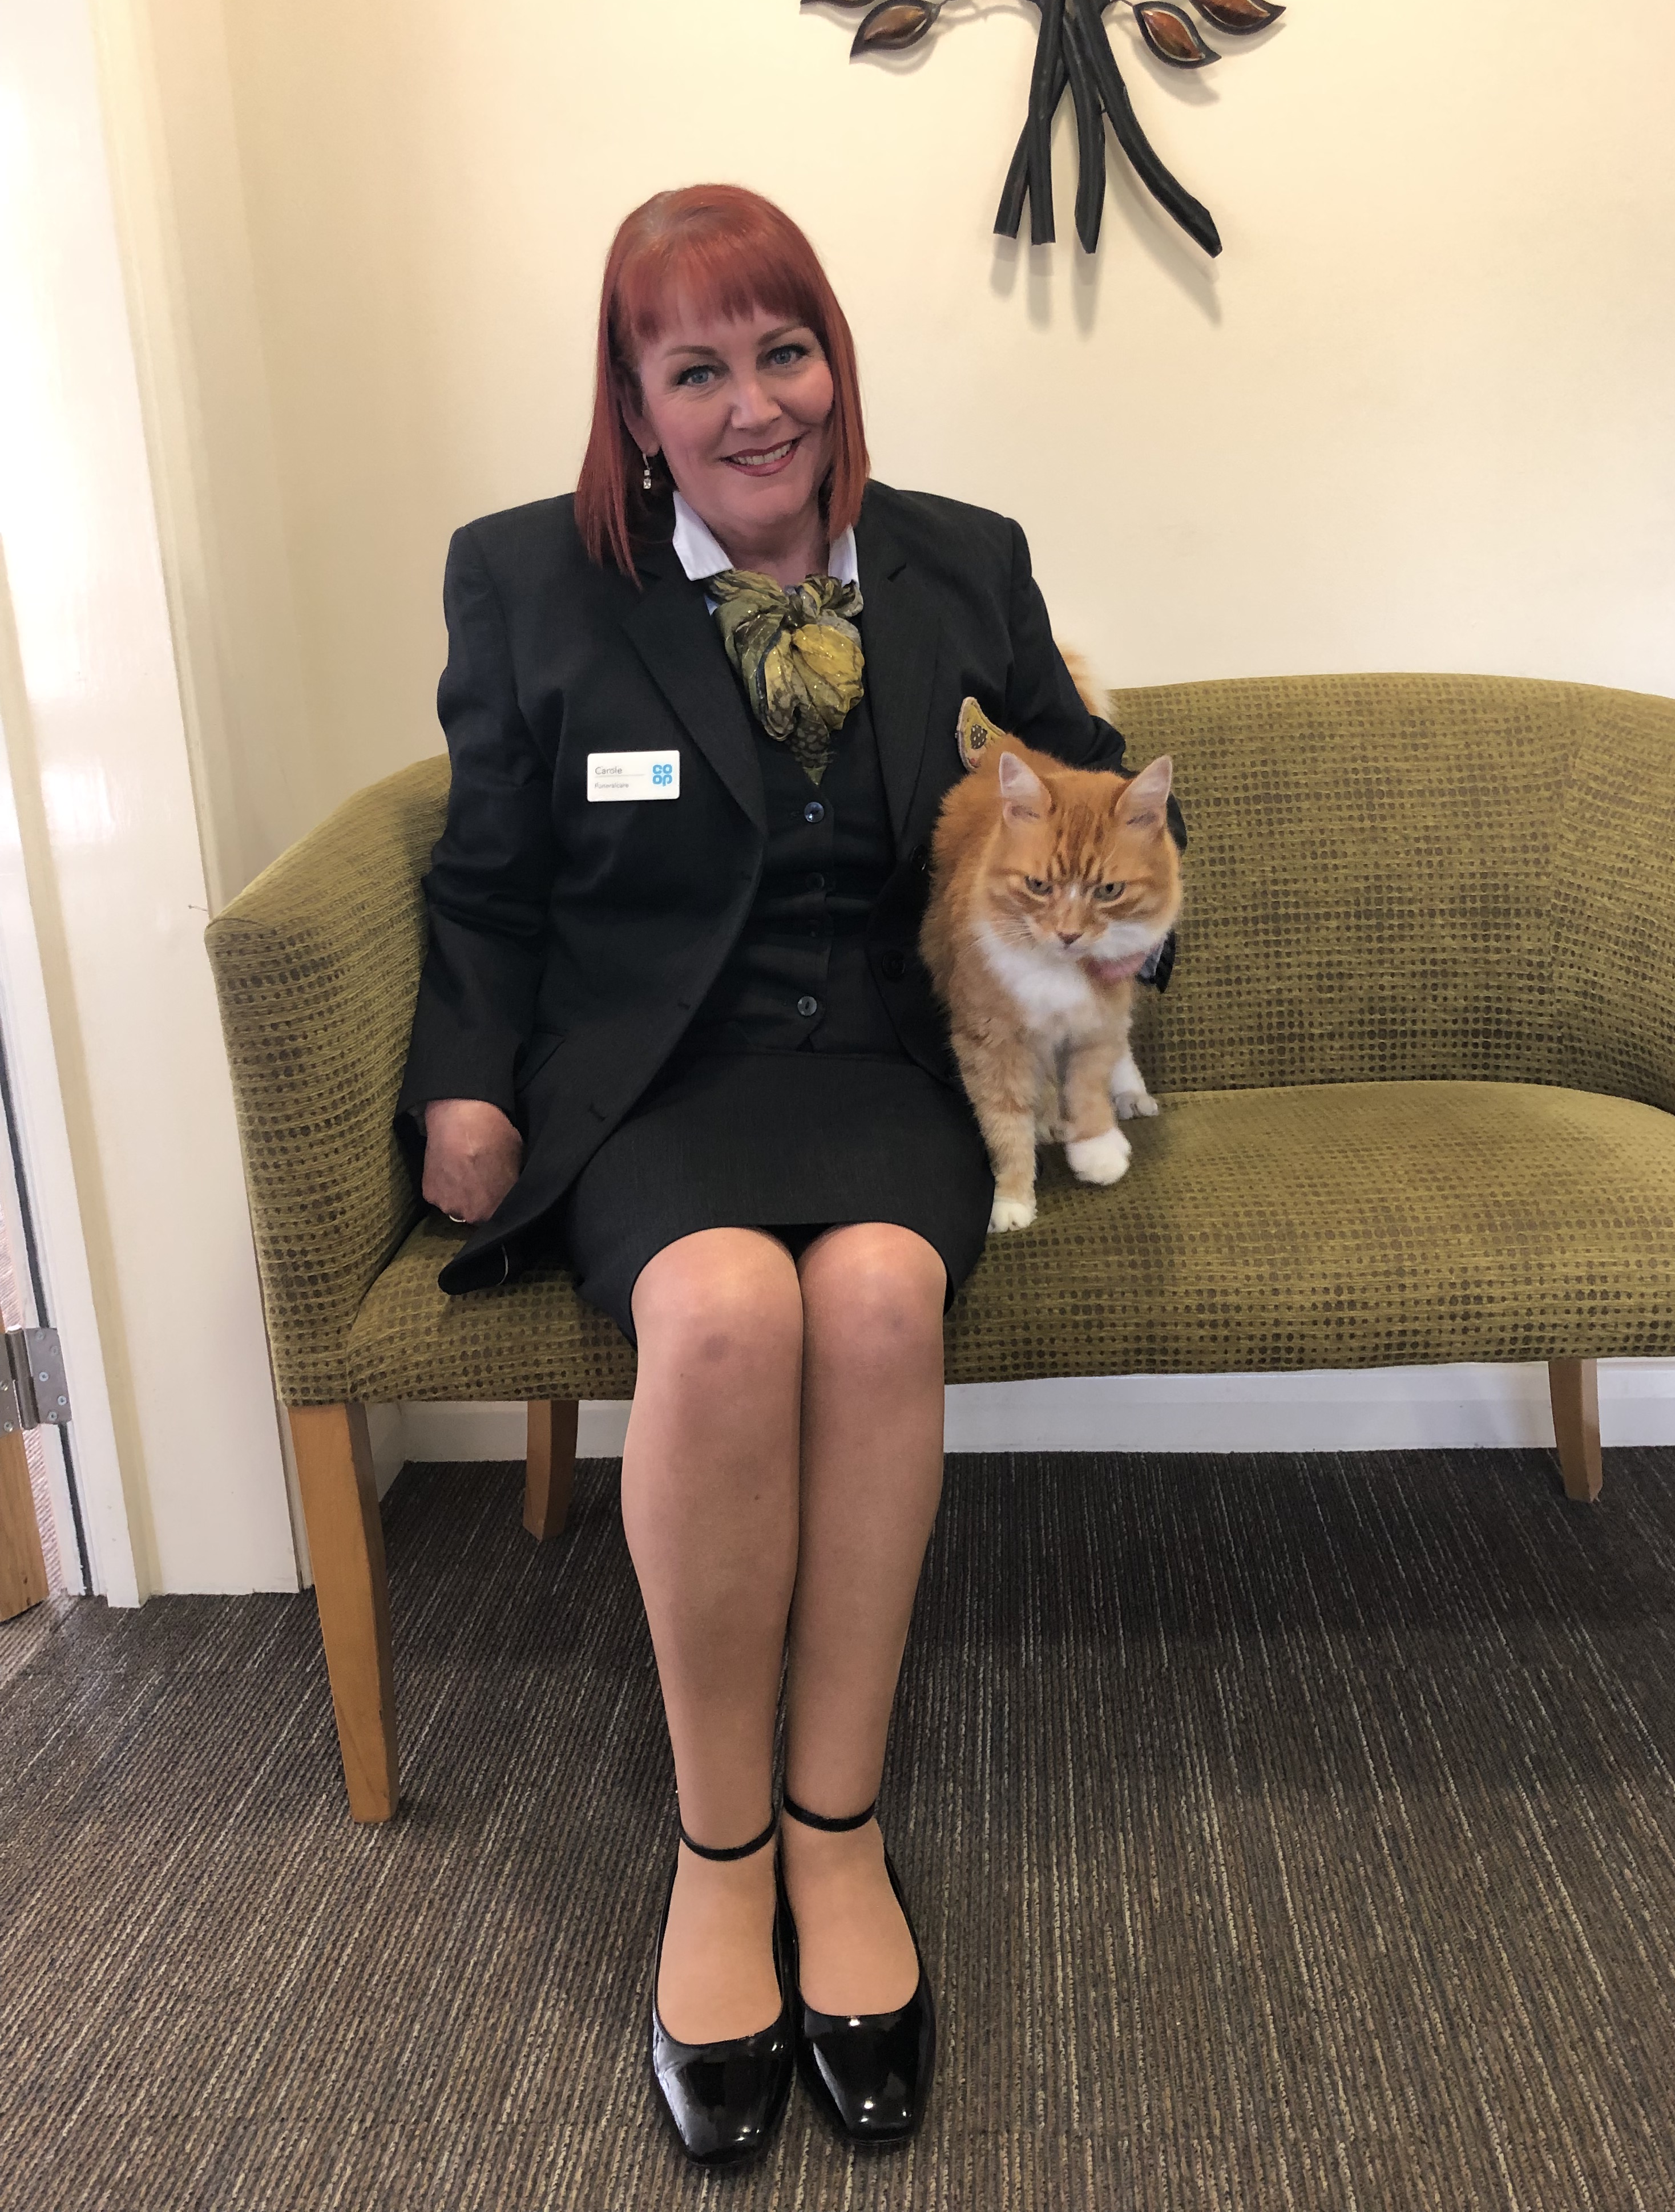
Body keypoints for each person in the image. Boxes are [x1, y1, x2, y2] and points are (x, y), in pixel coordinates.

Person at [397, 184, 1124, 2166]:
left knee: (878, 1294)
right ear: (635, 405)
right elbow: (484, 873)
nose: (751, 404)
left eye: (781, 351)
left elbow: (1084, 782)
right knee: (721, 1313)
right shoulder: (530, 582)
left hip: (883, 1052)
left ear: (836, 366)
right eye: (693, 367)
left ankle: (840, 1828)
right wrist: (463, 1082)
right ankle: (720, 1854)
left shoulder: (965, 563)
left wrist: (1115, 948)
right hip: (652, 1075)